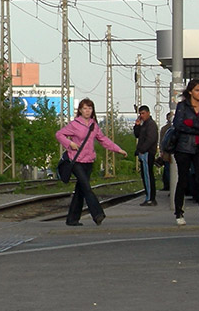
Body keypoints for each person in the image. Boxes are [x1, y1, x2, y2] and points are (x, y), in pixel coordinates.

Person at [55, 97, 128, 226]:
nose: (87, 111)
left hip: (89, 161)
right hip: (76, 160)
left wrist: (118, 149)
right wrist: (70, 143)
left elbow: (103, 139)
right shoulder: (74, 124)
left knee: (81, 190)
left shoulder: (94, 125)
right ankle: (97, 214)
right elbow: (59, 134)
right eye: (84, 108)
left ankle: (72, 219)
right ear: (80, 111)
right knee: (87, 188)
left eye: (90, 108)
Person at [171, 78, 199, 226]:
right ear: (190, 91)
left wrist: (192, 123)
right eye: (197, 90)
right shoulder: (182, 106)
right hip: (184, 147)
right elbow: (178, 125)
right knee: (183, 180)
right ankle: (179, 213)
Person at [133, 105, 159, 205]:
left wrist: (142, 150)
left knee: (148, 176)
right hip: (144, 153)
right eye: (140, 114)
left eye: (143, 113)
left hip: (148, 153)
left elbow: (151, 139)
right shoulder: (144, 124)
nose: (141, 115)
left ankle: (150, 198)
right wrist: (137, 125)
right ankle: (149, 197)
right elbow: (137, 135)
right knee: (145, 176)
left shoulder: (151, 125)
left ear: (148, 113)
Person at [157, 111, 174, 194]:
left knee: (168, 169)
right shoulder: (165, 129)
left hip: (168, 152)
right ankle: (169, 186)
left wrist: (161, 150)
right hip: (168, 152)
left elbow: (161, 142)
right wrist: (161, 150)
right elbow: (162, 141)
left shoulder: (165, 129)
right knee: (168, 169)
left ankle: (169, 186)